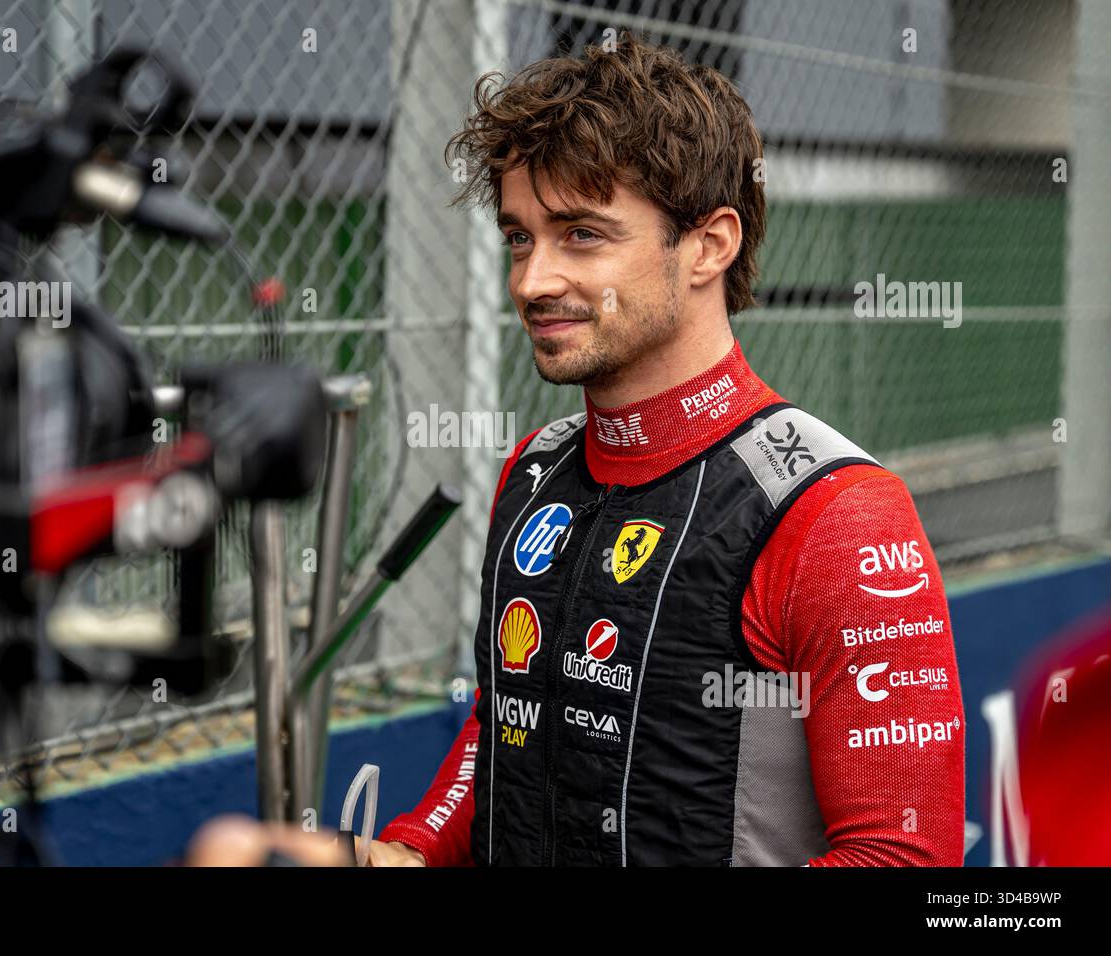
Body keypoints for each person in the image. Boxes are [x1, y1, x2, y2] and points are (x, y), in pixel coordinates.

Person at [366, 34, 965, 866]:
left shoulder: (838, 514)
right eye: (518, 237)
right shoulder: (535, 471)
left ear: (709, 246)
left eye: (581, 234)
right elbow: (509, 713)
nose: (531, 281)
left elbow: (904, 857)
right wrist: (415, 848)